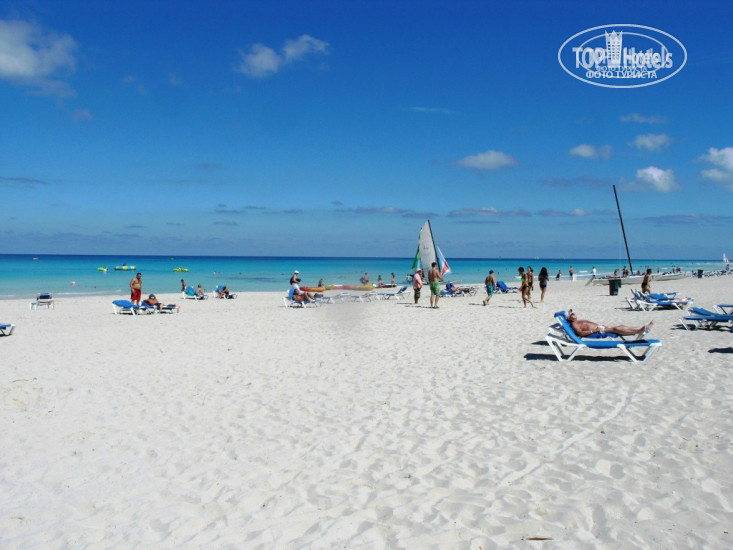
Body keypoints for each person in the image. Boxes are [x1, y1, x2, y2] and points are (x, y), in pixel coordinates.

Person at [567, 310, 653, 338]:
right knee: (616, 329)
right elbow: (580, 333)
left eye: (572, 312)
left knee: (620, 327)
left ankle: (641, 329)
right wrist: (594, 330)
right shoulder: (574, 324)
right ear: (569, 318)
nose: (573, 313)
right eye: (571, 314)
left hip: (599, 328)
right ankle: (639, 331)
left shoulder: (577, 321)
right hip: (597, 331)